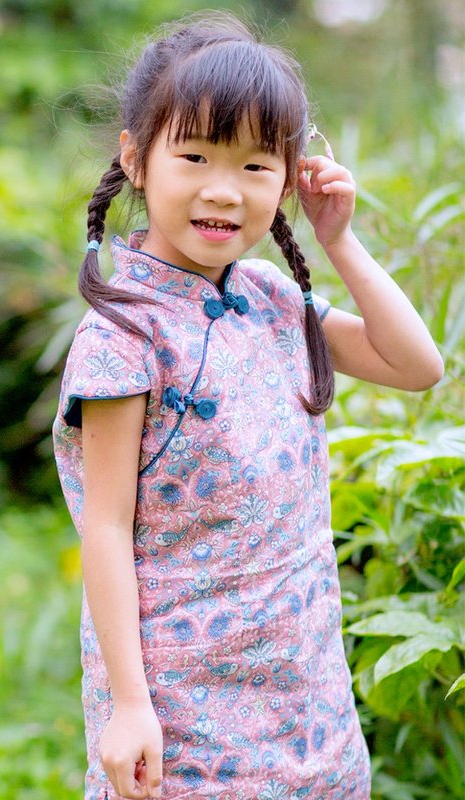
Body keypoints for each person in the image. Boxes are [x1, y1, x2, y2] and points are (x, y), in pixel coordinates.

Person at [52, 12, 443, 800]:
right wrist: (129, 706)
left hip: (306, 701)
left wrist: (340, 241)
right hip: (185, 710)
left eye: (257, 166)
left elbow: (416, 364)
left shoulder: (268, 295)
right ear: (135, 158)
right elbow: (104, 525)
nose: (223, 190)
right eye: (193, 155)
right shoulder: (123, 335)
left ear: (290, 175)